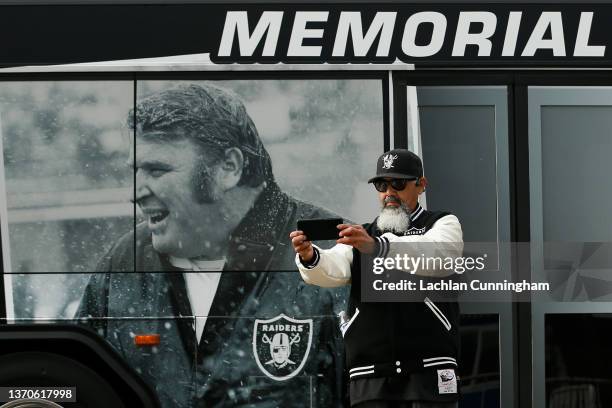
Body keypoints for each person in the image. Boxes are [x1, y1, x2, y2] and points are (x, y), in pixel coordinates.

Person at [76, 83, 348, 408]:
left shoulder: (334, 249)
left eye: (157, 170)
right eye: (135, 171)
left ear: (229, 167)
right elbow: (75, 386)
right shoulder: (124, 261)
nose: (136, 192)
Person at [291, 149, 463, 408]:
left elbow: (442, 254)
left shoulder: (441, 223)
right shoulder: (365, 234)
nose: (389, 192)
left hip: (429, 366)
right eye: (382, 184)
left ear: (421, 185)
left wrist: (379, 247)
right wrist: (309, 256)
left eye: (398, 183)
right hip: (370, 373)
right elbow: (335, 266)